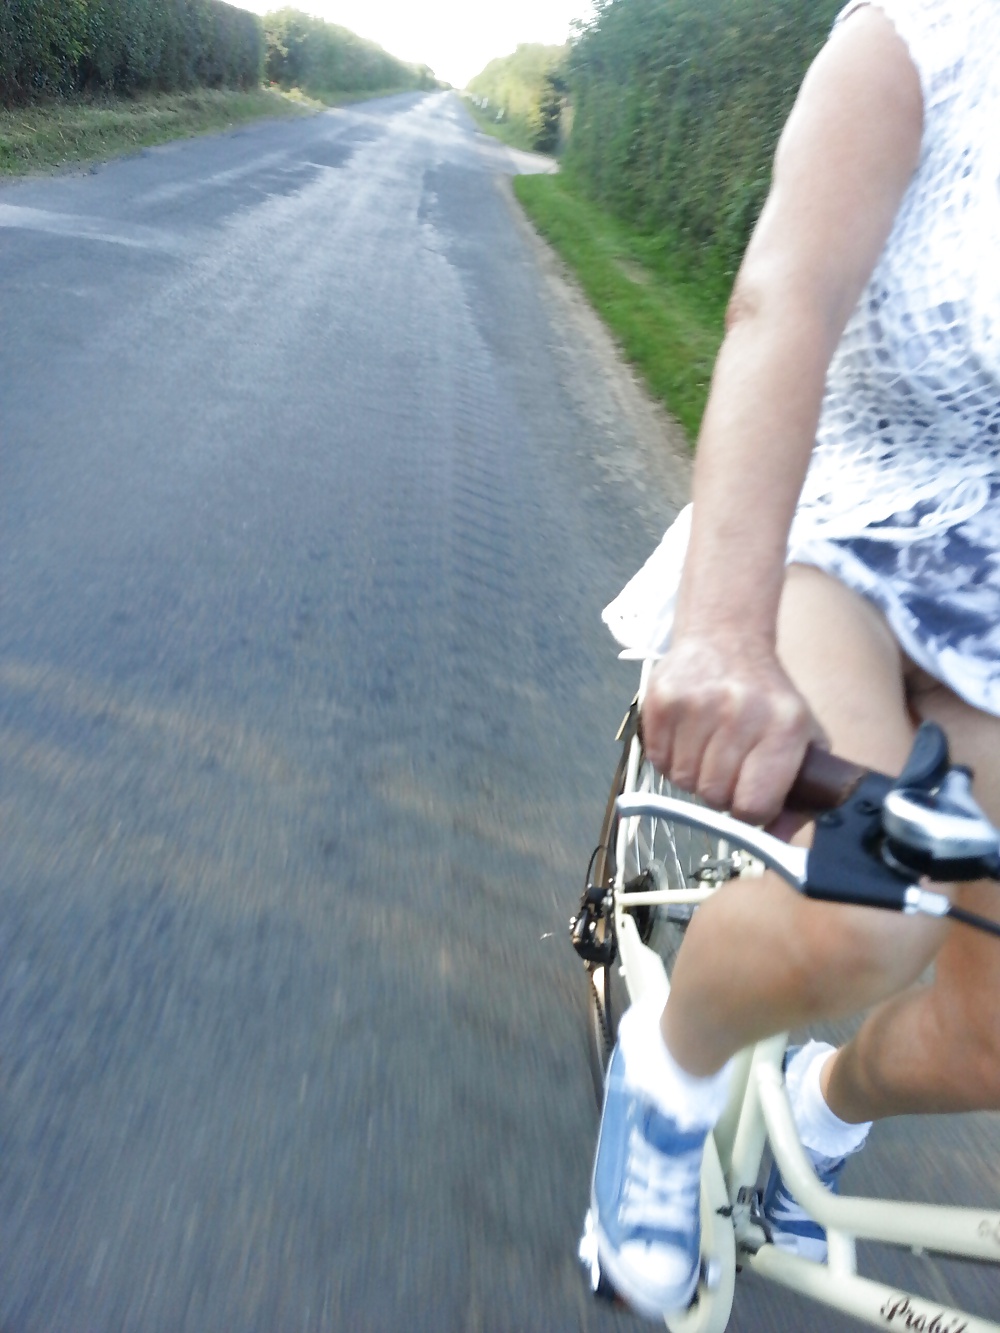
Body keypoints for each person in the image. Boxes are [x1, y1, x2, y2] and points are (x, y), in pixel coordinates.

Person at [588, 0, 1000, 1319]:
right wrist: (719, 626)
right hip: (850, 524)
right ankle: (671, 1067)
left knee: (990, 1035)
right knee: (876, 906)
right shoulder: (931, 40)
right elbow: (785, 305)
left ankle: (817, 1113)